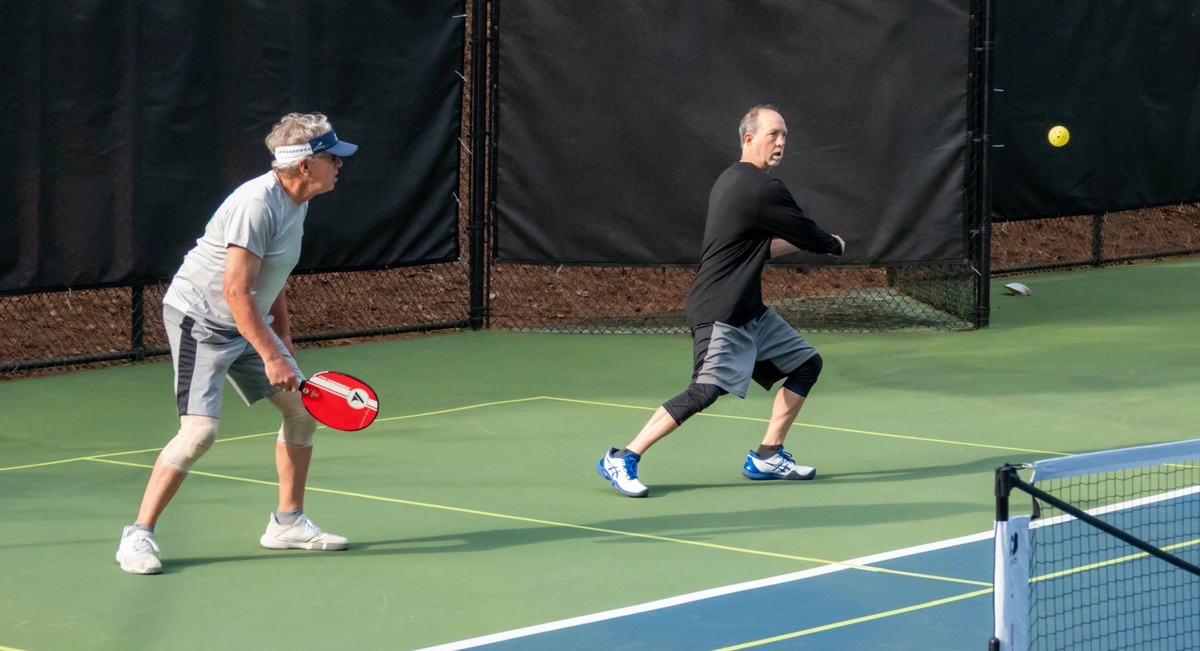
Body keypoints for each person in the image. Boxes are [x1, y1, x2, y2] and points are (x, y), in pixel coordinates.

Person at [115, 112, 359, 574]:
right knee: (199, 434)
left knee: (302, 412)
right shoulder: (255, 205)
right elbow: (234, 290)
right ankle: (137, 536)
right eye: (332, 158)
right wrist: (269, 353)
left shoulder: (298, 201)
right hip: (201, 321)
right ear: (304, 165)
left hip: (248, 320)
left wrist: (281, 338)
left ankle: (287, 523)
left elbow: (274, 274)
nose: (340, 165)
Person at [597, 105, 845, 498]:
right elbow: (810, 235)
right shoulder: (763, 189)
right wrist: (830, 244)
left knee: (805, 364)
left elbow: (755, 250)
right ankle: (623, 457)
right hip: (721, 309)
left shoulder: (734, 180)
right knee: (705, 390)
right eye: (772, 134)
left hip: (748, 309)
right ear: (748, 139)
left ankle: (768, 454)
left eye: (784, 135)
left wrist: (808, 240)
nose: (780, 142)